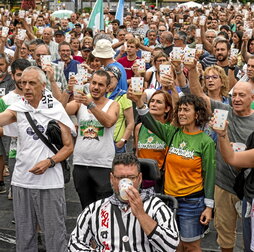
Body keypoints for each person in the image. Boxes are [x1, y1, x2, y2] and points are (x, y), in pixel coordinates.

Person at [128, 92, 216, 252]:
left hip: (191, 202)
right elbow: (150, 123)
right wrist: (140, 103)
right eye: (180, 109)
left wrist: (209, 207)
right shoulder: (172, 133)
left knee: (191, 246)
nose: (181, 113)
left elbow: (209, 175)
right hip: (168, 200)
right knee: (172, 244)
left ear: (197, 114)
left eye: (186, 110)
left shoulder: (206, 141)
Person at [0, 66, 76, 252]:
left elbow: (68, 147)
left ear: (43, 86)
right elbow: (3, 119)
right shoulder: (18, 108)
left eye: (31, 83)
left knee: (54, 235)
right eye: (23, 83)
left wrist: (49, 162)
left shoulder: (55, 109)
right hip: (21, 180)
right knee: (24, 235)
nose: (26, 87)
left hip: (49, 182)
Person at [188, 63, 254, 252]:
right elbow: (199, 96)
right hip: (224, 185)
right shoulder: (222, 112)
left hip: (250, 189)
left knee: (251, 237)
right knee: (225, 236)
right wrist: (192, 69)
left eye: (242, 95)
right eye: (234, 95)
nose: (237, 99)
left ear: (252, 98)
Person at [68, 153, 179, 251]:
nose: (126, 182)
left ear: (140, 178)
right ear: (112, 178)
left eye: (131, 177)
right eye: (120, 178)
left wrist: (141, 214)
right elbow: (74, 243)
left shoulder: (157, 207)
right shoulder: (95, 209)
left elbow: (171, 246)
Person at [65, 69, 119, 209]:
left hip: (103, 165)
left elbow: (108, 122)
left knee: (103, 209)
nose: (95, 87)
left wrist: (90, 105)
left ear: (107, 88)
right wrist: (67, 91)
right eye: (93, 83)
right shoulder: (80, 102)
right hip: (80, 163)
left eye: (100, 85)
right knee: (86, 208)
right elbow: (62, 110)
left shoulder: (113, 104)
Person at [135, 90, 173, 190]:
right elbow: (136, 153)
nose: (154, 104)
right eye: (152, 101)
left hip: (161, 180)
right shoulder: (139, 127)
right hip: (142, 178)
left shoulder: (169, 129)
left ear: (167, 108)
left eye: (159, 102)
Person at [105, 66, 134, 153]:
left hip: (116, 144)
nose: (108, 79)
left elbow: (130, 122)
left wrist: (123, 140)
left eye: (111, 77)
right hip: (100, 142)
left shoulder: (123, 96)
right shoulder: (100, 95)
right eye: (106, 76)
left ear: (117, 79)